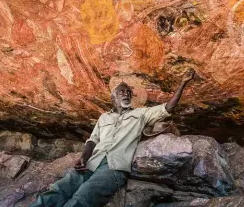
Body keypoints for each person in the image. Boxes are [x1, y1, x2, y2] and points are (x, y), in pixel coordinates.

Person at [30, 69, 196, 207]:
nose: (125, 94)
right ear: (113, 97)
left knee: (83, 197)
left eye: (128, 92)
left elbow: (167, 108)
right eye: (121, 91)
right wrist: (83, 157)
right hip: (91, 162)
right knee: (59, 189)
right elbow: (92, 140)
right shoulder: (104, 117)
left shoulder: (140, 114)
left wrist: (182, 83)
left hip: (114, 168)